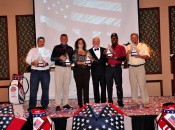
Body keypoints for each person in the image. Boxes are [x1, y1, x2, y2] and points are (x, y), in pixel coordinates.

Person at [26, 37, 51, 109]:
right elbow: (27, 59)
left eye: (43, 41)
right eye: (40, 41)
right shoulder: (32, 50)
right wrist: (31, 62)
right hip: (35, 72)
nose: (41, 43)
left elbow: (52, 60)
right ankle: (32, 106)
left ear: (44, 42)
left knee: (45, 89)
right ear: (37, 42)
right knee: (33, 89)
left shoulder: (48, 51)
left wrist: (47, 63)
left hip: (45, 71)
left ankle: (44, 105)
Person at [126, 33, 150, 107]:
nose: (133, 39)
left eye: (135, 37)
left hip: (140, 67)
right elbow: (127, 59)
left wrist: (140, 56)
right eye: (132, 38)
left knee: (142, 85)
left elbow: (147, 56)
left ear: (137, 38)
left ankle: (145, 102)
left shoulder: (143, 45)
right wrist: (127, 54)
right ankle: (135, 101)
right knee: (133, 85)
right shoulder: (128, 46)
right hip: (131, 67)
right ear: (131, 39)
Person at [51, 34, 73, 111]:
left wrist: (71, 63)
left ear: (67, 39)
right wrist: (59, 57)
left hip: (67, 68)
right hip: (59, 68)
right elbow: (52, 58)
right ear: (60, 39)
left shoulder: (70, 48)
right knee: (58, 86)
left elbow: (72, 60)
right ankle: (57, 104)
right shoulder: (56, 47)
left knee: (66, 86)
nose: (64, 39)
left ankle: (65, 103)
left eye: (65, 38)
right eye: (62, 38)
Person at [104, 33, 126, 107]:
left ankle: (120, 101)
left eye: (115, 38)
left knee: (119, 85)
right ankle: (110, 101)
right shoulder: (108, 48)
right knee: (109, 86)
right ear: (111, 39)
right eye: (112, 38)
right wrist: (105, 55)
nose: (113, 40)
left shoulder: (121, 47)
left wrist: (116, 58)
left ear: (117, 39)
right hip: (109, 68)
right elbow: (105, 59)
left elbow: (124, 58)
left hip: (117, 68)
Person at [72, 38, 91, 108]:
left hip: (86, 71)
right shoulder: (74, 52)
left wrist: (90, 60)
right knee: (79, 87)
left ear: (84, 44)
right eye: (79, 43)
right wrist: (84, 62)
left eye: (81, 43)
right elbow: (75, 62)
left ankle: (86, 103)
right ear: (77, 44)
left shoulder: (87, 52)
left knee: (86, 87)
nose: (80, 44)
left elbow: (91, 61)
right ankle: (80, 104)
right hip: (77, 71)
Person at [89, 37, 107, 103]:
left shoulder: (104, 50)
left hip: (103, 71)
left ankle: (103, 101)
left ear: (99, 42)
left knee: (103, 87)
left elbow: (107, 59)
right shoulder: (89, 51)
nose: (96, 42)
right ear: (92, 42)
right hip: (94, 72)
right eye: (94, 41)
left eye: (97, 41)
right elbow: (88, 62)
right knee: (95, 87)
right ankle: (96, 101)